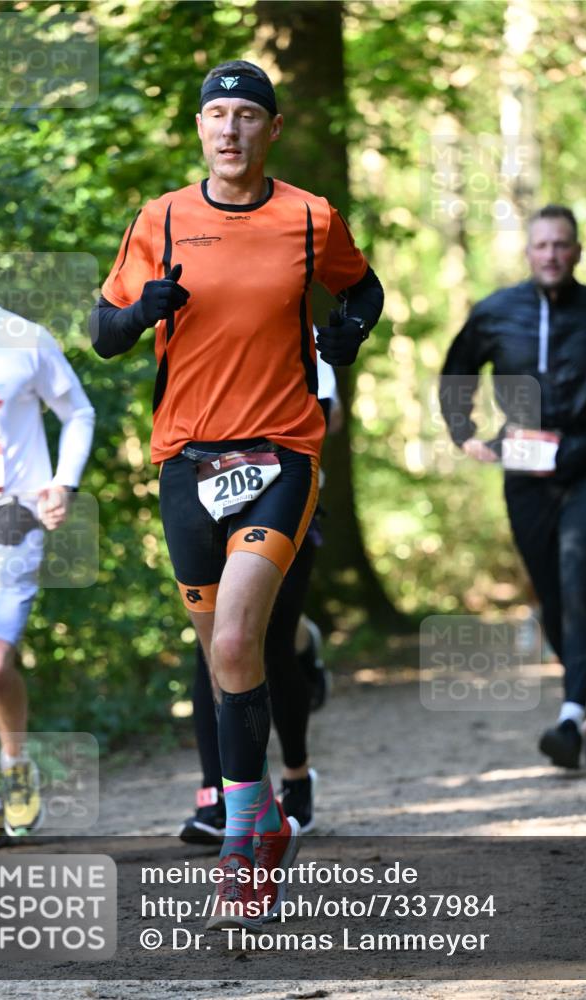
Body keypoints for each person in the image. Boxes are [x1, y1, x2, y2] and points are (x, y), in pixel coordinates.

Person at [91, 59, 383, 928]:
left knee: (231, 641)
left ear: (272, 129)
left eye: (246, 115)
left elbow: (361, 286)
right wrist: (146, 307)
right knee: (228, 666)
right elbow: (105, 332)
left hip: (283, 451)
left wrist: (348, 333)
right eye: (216, 114)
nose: (230, 129)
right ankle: (260, 818)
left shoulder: (308, 216)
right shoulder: (162, 219)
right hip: (185, 461)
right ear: (198, 130)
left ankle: (238, 845)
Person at [440, 204, 586, 770]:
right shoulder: (496, 312)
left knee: (580, 574)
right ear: (528, 252)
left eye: (562, 245)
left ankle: (568, 718)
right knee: (551, 596)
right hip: (523, 466)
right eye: (542, 245)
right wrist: (465, 434)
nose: (552, 255)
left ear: (578, 252)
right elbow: (457, 372)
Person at [0, 218, 95, 851]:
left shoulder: (21, 338)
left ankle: (16, 765)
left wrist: (61, 482)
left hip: (12, 520)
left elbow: (78, 410)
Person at [180, 346, 340, 845]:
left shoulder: (296, 324)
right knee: (214, 646)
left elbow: (326, 415)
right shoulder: (196, 328)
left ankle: (296, 775)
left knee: (268, 642)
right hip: (210, 502)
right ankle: (220, 794)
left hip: (286, 499)